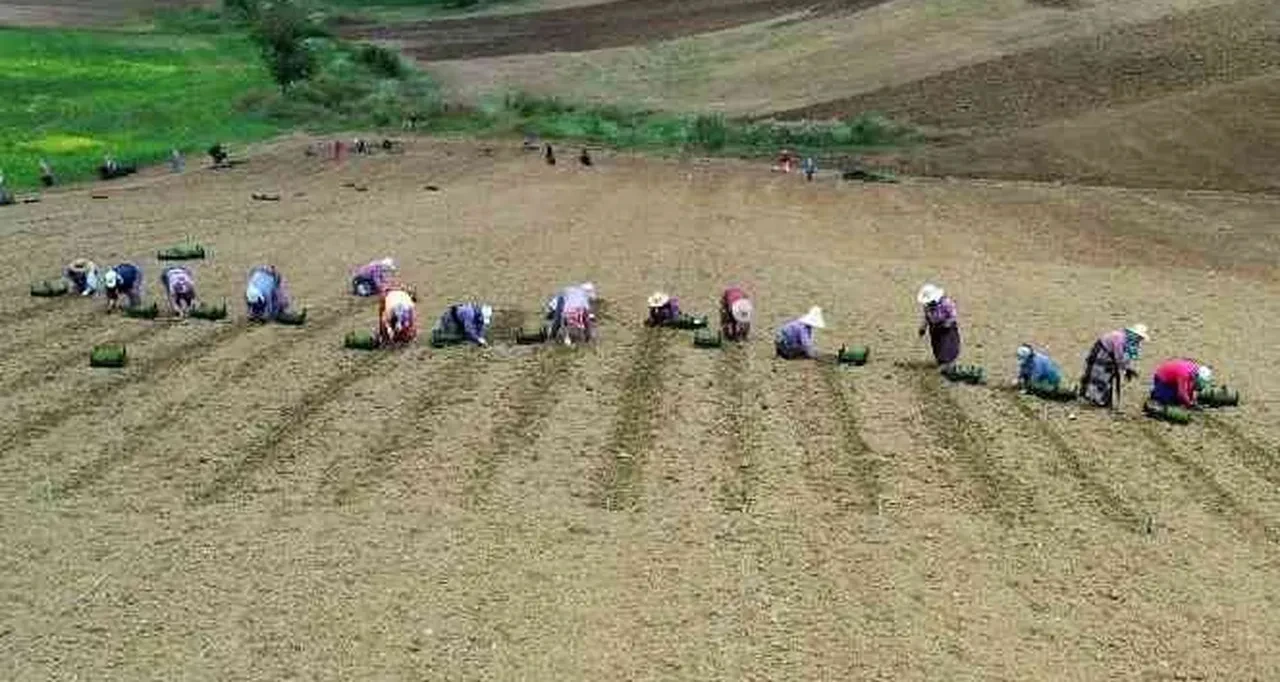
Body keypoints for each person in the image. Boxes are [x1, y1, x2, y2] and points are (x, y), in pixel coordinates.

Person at [1079, 324, 1148, 408]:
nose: (1139, 340)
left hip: (1110, 355)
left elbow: (1126, 357)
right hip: (1101, 352)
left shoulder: (1130, 343)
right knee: (1097, 375)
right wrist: (1126, 368)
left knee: (1107, 377)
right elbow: (1118, 356)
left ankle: (1102, 400)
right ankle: (1090, 398)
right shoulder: (1119, 338)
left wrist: (1127, 368)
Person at [917, 283, 961, 370]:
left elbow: (953, 316)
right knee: (937, 347)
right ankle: (941, 362)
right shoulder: (927, 306)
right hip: (934, 329)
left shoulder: (946, 303)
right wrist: (923, 327)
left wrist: (947, 323)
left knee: (948, 346)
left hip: (947, 329)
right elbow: (926, 317)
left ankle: (948, 364)